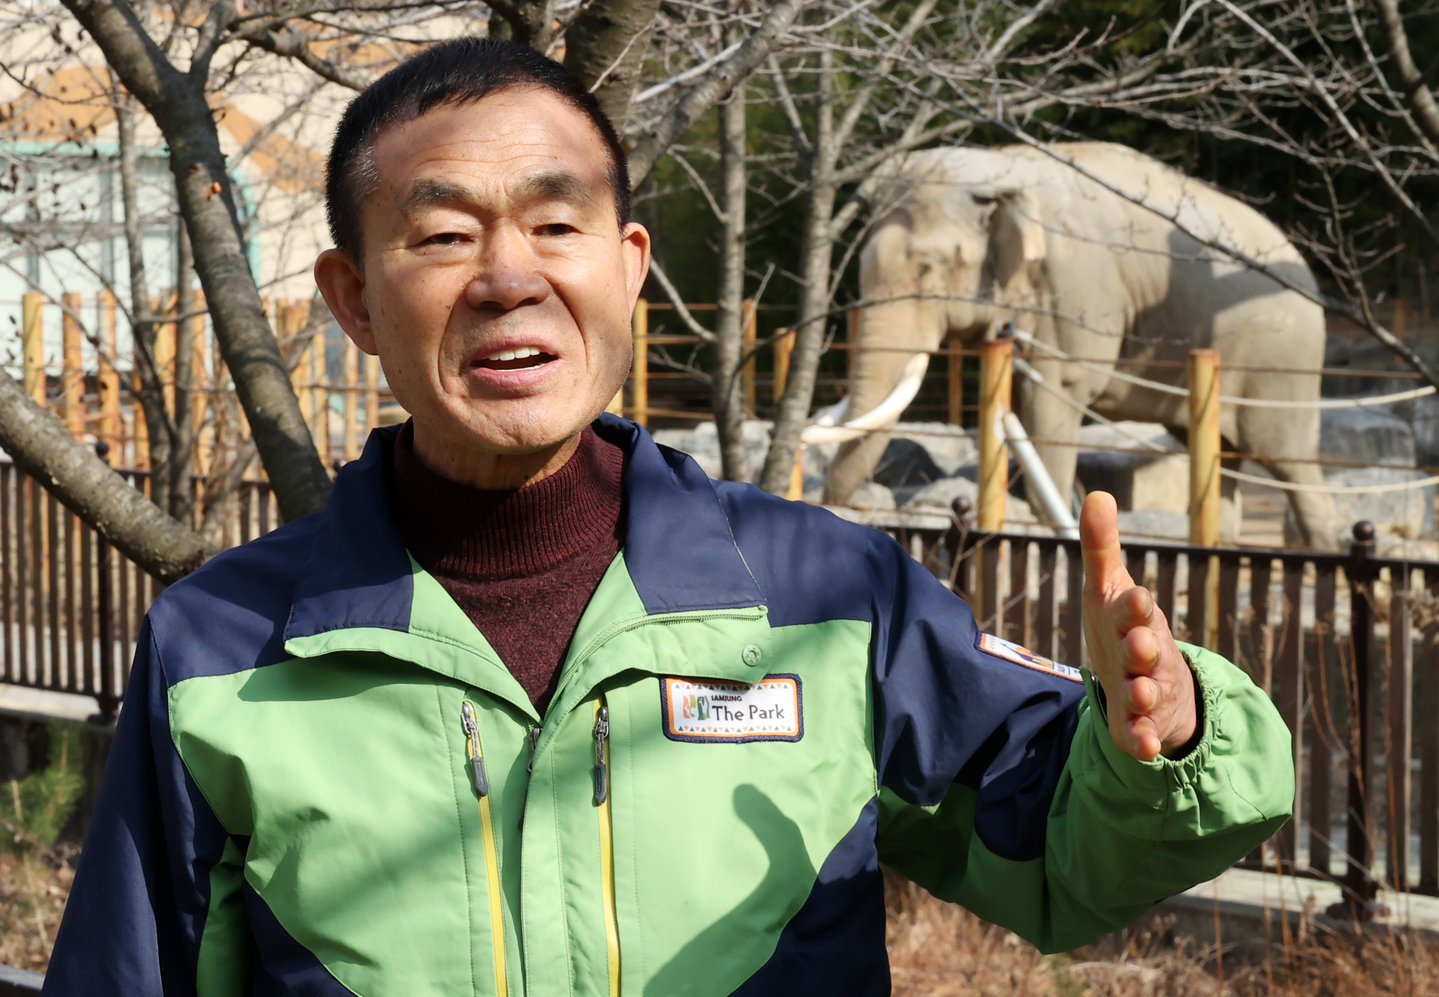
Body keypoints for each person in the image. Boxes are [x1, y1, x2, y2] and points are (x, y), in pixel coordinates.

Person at [44, 37, 1293, 997]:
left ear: (630, 267)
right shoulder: (220, 649)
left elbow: (1062, 867)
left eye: (554, 224)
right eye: (440, 235)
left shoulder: (824, 598)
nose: (508, 277)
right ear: (353, 298)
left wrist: (1163, 747)